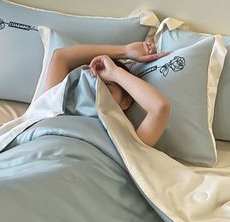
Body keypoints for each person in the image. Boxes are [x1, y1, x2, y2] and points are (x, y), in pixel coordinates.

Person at [43, 41, 171, 147]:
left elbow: (159, 107)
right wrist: (125, 50)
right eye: (87, 87)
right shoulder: (52, 109)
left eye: (106, 88)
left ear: (126, 101)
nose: (93, 94)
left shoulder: (126, 145)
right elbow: (60, 56)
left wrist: (114, 72)